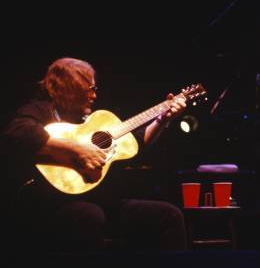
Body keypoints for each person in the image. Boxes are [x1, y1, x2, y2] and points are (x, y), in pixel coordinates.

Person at [3, 57, 188, 252]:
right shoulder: (41, 110)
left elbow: (135, 143)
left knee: (169, 215)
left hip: (101, 200)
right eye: (88, 89)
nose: (94, 95)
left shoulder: (96, 121)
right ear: (67, 90)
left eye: (94, 89)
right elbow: (19, 132)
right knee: (90, 216)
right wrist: (77, 149)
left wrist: (162, 119)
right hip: (50, 204)